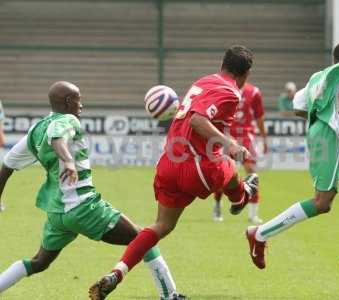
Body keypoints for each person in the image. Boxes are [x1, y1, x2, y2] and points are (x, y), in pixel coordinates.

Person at [89, 45, 259, 299]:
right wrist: (231, 144)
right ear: (245, 74)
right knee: (230, 166)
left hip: (169, 164)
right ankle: (240, 197)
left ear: (221, 65)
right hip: (197, 166)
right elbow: (197, 120)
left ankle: (117, 272)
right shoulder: (231, 92)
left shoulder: (202, 82)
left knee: (162, 225)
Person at [0, 81, 187, 300]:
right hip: (83, 207)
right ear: (68, 101)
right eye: (78, 98)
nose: (82, 103)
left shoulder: (36, 129)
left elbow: (6, 166)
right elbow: (58, 137)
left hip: (57, 214)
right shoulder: (67, 120)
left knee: (39, 262)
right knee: (143, 239)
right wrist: (68, 161)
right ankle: (170, 295)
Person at [245, 41, 339, 278]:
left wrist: (324, 119)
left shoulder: (318, 76)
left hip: (326, 134)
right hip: (332, 135)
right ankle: (259, 233)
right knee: (322, 202)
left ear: (334, 61)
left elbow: (298, 106)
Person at [212, 82, 267, 223]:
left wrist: (264, 138)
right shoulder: (223, 88)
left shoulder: (253, 91)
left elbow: (259, 116)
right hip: (226, 136)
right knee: (222, 173)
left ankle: (253, 214)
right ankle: (217, 204)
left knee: (251, 170)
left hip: (246, 136)